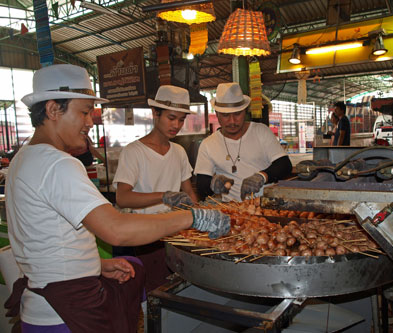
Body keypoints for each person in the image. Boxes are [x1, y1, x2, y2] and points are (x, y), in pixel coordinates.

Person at [5, 64, 230, 332]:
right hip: (67, 315)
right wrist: (194, 216)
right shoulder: (57, 164)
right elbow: (116, 229)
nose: (90, 122)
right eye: (84, 112)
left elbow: (45, 244)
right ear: (53, 110)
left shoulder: (24, 159)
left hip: (42, 309)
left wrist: (96, 266)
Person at [113, 84, 197, 291]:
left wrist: (200, 214)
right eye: (171, 117)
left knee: (181, 287)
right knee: (156, 289)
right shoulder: (134, 152)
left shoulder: (178, 151)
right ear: (155, 114)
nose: (176, 125)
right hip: (147, 234)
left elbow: (189, 192)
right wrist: (165, 196)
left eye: (181, 119)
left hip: (176, 231)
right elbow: (123, 198)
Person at [195, 82, 292, 202]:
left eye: (237, 114)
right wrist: (213, 183)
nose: (232, 121)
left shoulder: (261, 131)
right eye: (225, 115)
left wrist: (262, 176)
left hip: (266, 204)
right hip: (232, 210)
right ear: (217, 114)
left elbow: (284, 165)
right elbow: (201, 185)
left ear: (245, 111)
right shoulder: (208, 144)